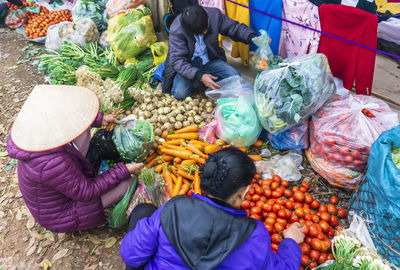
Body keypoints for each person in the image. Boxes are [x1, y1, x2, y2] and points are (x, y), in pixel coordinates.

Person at [120, 147, 304, 270]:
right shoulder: (254, 235)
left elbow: (130, 255)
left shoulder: (174, 208)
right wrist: (291, 242)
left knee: (143, 212)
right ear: (244, 192)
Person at [7, 85, 144, 233]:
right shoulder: (52, 162)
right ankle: (89, 216)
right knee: (126, 182)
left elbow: (74, 116)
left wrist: (100, 119)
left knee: (83, 132)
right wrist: (123, 170)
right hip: (62, 214)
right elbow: (87, 192)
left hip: (63, 185)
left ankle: (85, 174)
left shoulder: (35, 130)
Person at [164, 4, 257, 100]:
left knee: (234, 76)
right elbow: (177, 60)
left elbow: (233, 27)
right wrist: (199, 76)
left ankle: (204, 81)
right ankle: (198, 81)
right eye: (201, 31)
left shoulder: (214, 15)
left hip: (210, 60)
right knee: (180, 94)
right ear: (190, 31)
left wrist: (251, 37)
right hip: (189, 64)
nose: (205, 32)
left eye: (207, 27)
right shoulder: (177, 29)